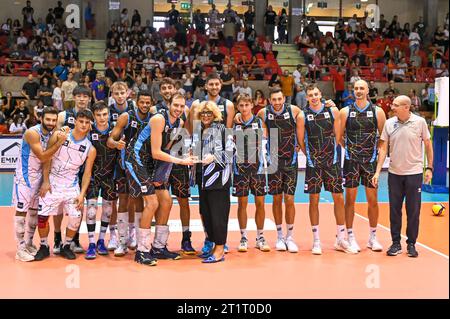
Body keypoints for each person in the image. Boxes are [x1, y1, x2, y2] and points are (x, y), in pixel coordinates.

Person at [130, 93, 194, 266]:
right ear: (169, 104)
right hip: (136, 158)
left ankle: (158, 247)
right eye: (176, 105)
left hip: (151, 162)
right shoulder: (159, 119)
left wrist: (161, 174)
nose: (179, 109)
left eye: (182, 106)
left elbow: (167, 150)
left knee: (166, 201)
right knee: (152, 203)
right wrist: (182, 161)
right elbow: (156, 152)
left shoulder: (179, 123)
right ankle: (142, 251)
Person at [372, 95, 433, 258]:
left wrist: (430, 168)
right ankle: (396, 243)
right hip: (394, 174)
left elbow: (428, 144)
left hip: (414, 174)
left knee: (413, 211)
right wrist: (378, 171)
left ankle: (411, 243)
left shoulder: (420, 122)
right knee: (394, 211)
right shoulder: (389, 123)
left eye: (396, 105)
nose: (392, 107)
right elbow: (384, 148)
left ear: (406, 107)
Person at [298, 85, 356, 255]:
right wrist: (311, 156)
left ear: (321, 94)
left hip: (333, 162)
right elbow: (301, 141)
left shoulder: (333, 111)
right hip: (313, 164)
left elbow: (339, 136)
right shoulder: (303, 116)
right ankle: (316, 240)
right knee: (313, 200)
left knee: (338, 197)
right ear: (307, 98)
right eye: (310, 95)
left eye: (316, 94)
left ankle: (341, 238)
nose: (314, 97)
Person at [34, 109, 96, 261]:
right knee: (42, 217)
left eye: (87, 123)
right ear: (75, 121)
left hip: (71, 184)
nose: (83, 125)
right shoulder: (59, 135)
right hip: (52, 182)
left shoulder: (90, 148)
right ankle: (43, 246)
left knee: (76, 217)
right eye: (81, 121)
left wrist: (82, 194)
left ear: (90, 125)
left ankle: (66, 245)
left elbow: (87, 173)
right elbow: (47, 157)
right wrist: (46, 181)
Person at [11, 107, 66, 261]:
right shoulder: (32, 133)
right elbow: (42, 156)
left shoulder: (53, 133)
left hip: (40, 178)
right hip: (25, 178)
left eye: (54, 120)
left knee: (34, 212)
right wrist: (59, 143)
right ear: (41, 118)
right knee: (21, 213)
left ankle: (28, 243)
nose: (51, 123)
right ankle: (20, 248)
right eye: (48, 119)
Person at [339, 80, 386, 253]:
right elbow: (339, 137)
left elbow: (384, 139)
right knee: (349, 200)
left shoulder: (377, 112)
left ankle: (373, 237)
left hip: (370, 162)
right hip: (351, 161)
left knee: (372, 200)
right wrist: (350, 149)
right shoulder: (345, 112)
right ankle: (350, 236)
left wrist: (376, 156)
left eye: (362, 88)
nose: (358, 91)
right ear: (353, 91)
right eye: (356, 88)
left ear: (367, 91)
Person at [150, 79, 194, 254]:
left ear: (175, 89)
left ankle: (186, 238)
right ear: (160, 91)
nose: (167, 90)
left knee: (183, 200)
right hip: (161, 161)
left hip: (180, 159)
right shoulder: (155, 111)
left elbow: (189, 132)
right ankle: (159, 241)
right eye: (164, 88)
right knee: (162, 202)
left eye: (170, 87)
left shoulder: (185, 109)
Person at [107, 84, 150, 255]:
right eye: (142, 102)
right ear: (136, 102)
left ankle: (139, 240)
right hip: (125, 165)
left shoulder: (153, 117)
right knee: (123, 201)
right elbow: (110, 140)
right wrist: (117, 144)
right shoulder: (126, 116)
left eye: (148, 103)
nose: (145, 105)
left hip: (145, 167)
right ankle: (122, 242)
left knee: (139, 201)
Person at [193, 101, 234, 263]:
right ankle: (212, 245)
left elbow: (231, 153)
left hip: (218, 181)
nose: (205, 115)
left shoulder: (223, 129)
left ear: (215, 114)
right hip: (202, 180)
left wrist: (214, 158)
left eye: (209, 112)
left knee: (218, 216)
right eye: (203, 113)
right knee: (206, 213)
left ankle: (219, 249)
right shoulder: (198, 130)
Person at [233, 94, 270, 253]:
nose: (244, 108)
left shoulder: (259, 122)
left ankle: (260, 237)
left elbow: (266, 141)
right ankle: (243, 237)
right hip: (240, 169)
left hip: (258, 170)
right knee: (242, 204)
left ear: (252, 105)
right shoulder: (234, 123)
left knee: (260, 203)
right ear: (238, 107)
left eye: (247, 105)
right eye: (241, 106)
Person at [84, 102, 117, 259]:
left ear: (108, 114)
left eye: (105, 114)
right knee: (91, 210)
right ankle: (91, 243)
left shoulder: (115, 129)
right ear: (93, 116)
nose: (102, 118)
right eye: (98, 115)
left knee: (108, 210)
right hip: (92, 177)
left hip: (110, 177)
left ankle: (101, 241)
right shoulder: (88, 131)